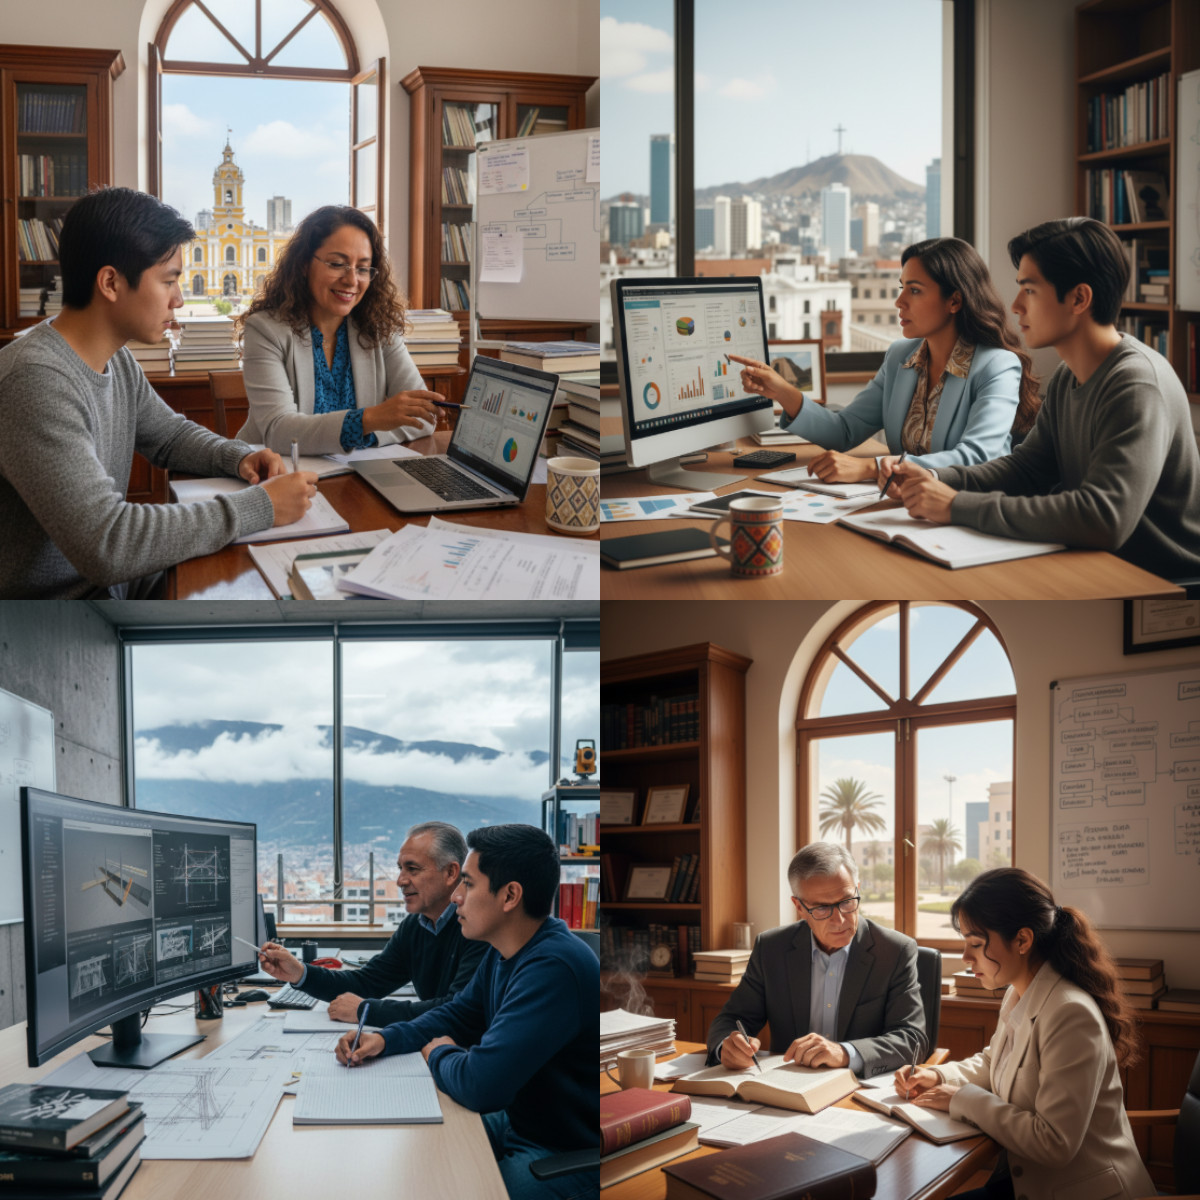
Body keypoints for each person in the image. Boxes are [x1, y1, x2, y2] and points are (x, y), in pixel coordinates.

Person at [0, 187, 316, 599]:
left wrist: (241, 457)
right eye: (169, 281)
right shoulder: (35, 380)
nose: (179, 300)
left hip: (105, 591)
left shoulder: (114, 358)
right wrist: (261, 507)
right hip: (48, 618)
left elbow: (169, 436)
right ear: (110, 282)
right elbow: (108, 544)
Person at [888, 217, 1200, 580]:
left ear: (1079, 298)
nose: (1016, 305)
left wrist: (956, 505)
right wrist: (935, 477)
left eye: (1029, 290)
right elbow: (1028, 470)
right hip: (1099, 564)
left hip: (1164, 584)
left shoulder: (1136, 384)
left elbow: (1103, 518)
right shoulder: (1071, 374)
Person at [335, 824, 598, 1200]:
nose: (456, 896)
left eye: (469, 885)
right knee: (423, 1155)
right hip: (523, 1121)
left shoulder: (553, 967)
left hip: (563, 1148)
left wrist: (438, 1052)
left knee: (462, 1189)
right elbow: (457, 1014)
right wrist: (384, 1038)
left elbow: (481, 1086)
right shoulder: (504, 951)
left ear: (509, 896)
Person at [895, 868, 1154, 1200]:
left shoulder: (1070, 1013)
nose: (965, 956)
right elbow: (993, 1062)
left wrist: (961, 1099)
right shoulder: (1020, 991)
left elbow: (1054, 1142)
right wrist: (936, 1075)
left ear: (1022, 940)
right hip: (1028, 1182)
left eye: (975, 943)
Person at [729, 238, 1039, 487]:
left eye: (914, 290)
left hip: (969, 508)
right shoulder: (900, 357)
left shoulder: (997, 365)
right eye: (901, 287)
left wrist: (870, 467)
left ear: (954, 301)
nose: (899, 301)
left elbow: (977, 458)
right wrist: (783, 391)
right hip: (907, 505)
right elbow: (844, 431)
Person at [236, 204, 441, 455]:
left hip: (353, 478)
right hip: (276, 475)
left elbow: (423, 418)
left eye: (363, 268)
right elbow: (279, 432)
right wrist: (369, 420)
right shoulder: (266, 330)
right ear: (303, 264)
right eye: (337, 264)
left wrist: (363, 432)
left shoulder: (379, 327)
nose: (352, 280)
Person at [707, 842, 925, 1077]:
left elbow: (912, 1038)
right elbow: (731, 1019)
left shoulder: (895, 951)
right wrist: (726, 1048)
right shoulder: (771, 948)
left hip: (857, 1089)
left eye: (846, 902)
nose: (839, 920)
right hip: (787, 1087)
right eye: (821, 908)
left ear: (858, 889)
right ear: (799, 906)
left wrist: (844, 1053)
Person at [257, 821, 486, 1024]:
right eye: (400, 869)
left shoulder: (479, 928)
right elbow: (366, 983)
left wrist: (365, 1011)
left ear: (451, 873)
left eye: (413, 869)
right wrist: (299, 973)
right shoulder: (416, 926)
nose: (400, 881)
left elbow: (458, 1011)